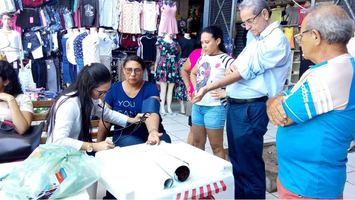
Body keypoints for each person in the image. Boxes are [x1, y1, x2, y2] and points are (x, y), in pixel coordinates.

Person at [193, 0, 292, 198]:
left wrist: (208, 87)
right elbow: (238, 66)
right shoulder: (254, 36)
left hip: (251, 107)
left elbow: (243, 71)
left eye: (250, 21)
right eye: (244, 22)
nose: (247, 26)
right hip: (237, 106)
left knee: (249, 165)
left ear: (265, 14)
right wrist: (235, 74)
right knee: (237, 161)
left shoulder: (275, 40)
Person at [267, 5, 355, 199]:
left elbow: (282, 116)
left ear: (315, 36)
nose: (299, 41)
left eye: (301, 35)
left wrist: (272, 101)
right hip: (310, 182)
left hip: (307, 187)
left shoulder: (330, 74)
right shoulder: (338, 67)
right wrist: (276, 100)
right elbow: (287, 96)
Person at [46, 63, 143, 152]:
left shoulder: (88, 97)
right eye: (101, 92)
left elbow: (107, 113)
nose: (103, 96)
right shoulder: (69, 104)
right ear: (88, 86)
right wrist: (94, 146)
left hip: (72, 154)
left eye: (106, 92)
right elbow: (59, 141)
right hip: (58, 156)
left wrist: (132, 120)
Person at [97, 55, 171, 147]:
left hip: (152, 131)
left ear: (143, 71)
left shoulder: (150, 88)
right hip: (125, 135)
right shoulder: (114, 89)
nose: (133, 74)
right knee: (136, 148)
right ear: (123, 70)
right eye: (129, 70)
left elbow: (150, 112)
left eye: (137, 70)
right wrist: (98, 145)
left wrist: (153, 132)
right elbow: (106, 118)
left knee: (163, 144)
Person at [190, 26, 234, 160]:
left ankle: (221, 176)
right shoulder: (202, 57)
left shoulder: (227, 59)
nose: (204, 45)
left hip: (215, 107)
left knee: (216, 147)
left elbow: (239, 79)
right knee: (197, 144)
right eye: (202, 42)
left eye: (207, 42)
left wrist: (226, 93)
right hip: (197, 106)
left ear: (218, 41)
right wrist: (195, 88)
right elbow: (193, 72)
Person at [0, 60, 33, 135]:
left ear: (6, 81)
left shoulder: (22, 99)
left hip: (11, 143)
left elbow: (21, 129)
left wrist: (10, 99)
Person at [180, 48, 202, 145]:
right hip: (195, 98)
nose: (205, 44)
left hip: (213, 101)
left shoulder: (223, 57)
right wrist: (189, 86)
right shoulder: (196, 53)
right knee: (193, 131)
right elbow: (184, 70)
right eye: (203, 42)